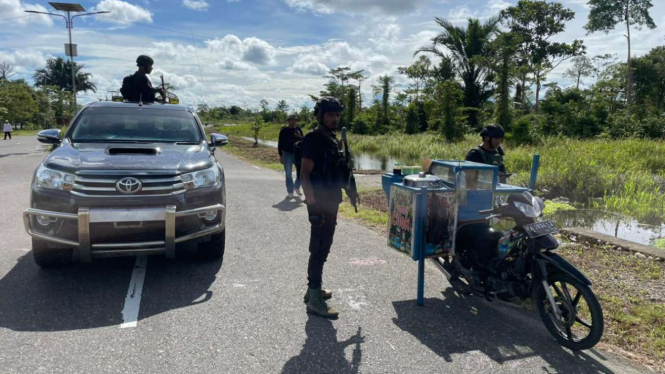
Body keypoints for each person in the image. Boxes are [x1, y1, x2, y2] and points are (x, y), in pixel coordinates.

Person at [300, 97, 347, 319]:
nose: (334, 119)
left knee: (325, 245)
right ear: (320, 116)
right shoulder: (314, 139)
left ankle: (314, 290)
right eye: (330, 115)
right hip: (319, 203)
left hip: (332, 200)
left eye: (337, 115)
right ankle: (314, 299)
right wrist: (313, 209)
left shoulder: (331, 138)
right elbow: (305, 175)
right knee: (318, 247)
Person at [278, 114, 304, 199]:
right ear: (288, 121)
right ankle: (290, 191)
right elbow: (280, 143)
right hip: (287, 154)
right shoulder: (283, 131)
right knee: (288, 174)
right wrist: (281, 155)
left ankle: (297, 187)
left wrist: (299, 136)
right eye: (291, 120)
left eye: (294, 120)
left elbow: (303, 141)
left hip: (297, 154)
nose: (293, 121)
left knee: (300, 173)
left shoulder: (299, 130)